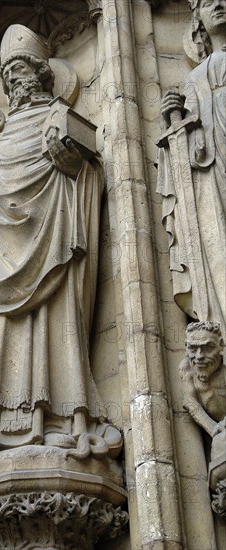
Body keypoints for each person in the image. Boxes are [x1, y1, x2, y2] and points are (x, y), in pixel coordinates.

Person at [0, 24, 122, 465]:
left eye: (22, 69)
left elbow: (87, 173)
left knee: (54, 329)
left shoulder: (58, 115)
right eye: (9, 73)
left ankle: (57, 421)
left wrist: (66, 157)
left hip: (51, 244)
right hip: (1, 252)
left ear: (41, 74)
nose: (15, 79)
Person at [157, 0, 226, 334]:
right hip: (214, 173)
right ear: (197, 19)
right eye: (210, 3)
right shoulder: (195, 78)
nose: (220, 6)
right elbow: (189, 144)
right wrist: (175, 124)